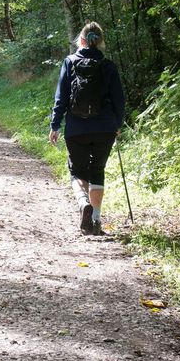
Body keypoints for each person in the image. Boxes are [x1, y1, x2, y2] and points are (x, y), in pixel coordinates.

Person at [48, 21, 125, 235]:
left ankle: (83, 203)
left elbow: (61, 97)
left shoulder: (70, 62)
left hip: (76, 128)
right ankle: (97, 221)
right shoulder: (108, 66)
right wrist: (117, 124)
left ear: (81, 40)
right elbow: (119, 100)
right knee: (97, 170)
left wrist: (55, 125)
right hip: (104, 128)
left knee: (78, 171)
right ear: (100, 42)